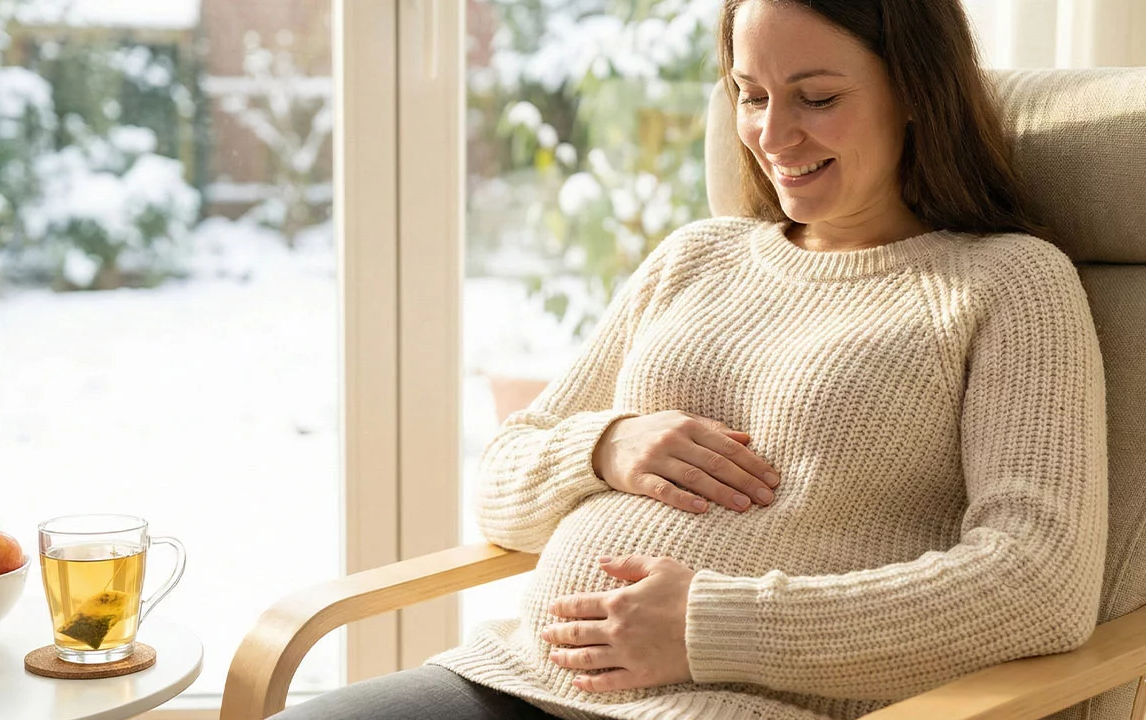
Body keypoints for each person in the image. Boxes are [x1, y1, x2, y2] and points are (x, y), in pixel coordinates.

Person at [275, 0, 1108, 718]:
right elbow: (503, 484)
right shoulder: (699, 257)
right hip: (516, 681)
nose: (772, 136)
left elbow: (1037, 586)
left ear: (916, 91)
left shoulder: (1007, 283)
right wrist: (605, 446)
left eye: (817, 98)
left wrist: (707, 628)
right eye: (750, 96)